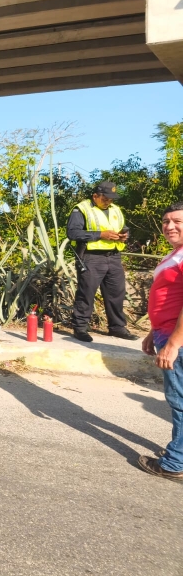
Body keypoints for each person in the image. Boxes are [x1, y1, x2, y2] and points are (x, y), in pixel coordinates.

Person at [139, 201, 183, 480]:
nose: (169, 226)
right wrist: (152, 332)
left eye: (177, 221)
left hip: (177, 336)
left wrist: (173, 343)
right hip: (166, 331)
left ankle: (175, 463)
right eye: (166, 221)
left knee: (179, 399)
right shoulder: (176, 254)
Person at [66, 181, 138, 342]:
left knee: (116, 293)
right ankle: (80, 328)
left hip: (114, 256)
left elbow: (124, 226)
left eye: (111, 199)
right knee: (87, 292)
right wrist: (100, 234)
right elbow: (72, 233)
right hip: (91, 257)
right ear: (95, 196)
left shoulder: (115, 209)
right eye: (105, 198)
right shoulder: (81, 209)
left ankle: (117, 327)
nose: (109, 202)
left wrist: (125, 235)